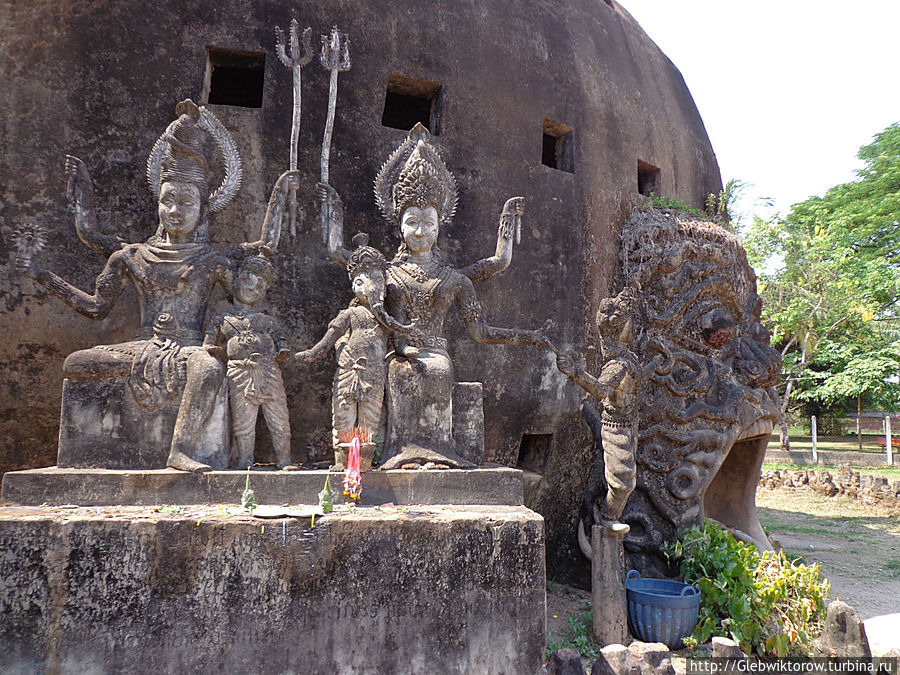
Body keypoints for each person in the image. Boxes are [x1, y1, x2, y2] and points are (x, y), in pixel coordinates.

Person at [16, 100, 298, 472]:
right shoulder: (131, 255)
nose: (175, 210)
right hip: (140, 346)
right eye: (167, 200)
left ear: (202, 208)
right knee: (76, 362)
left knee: (209, 369)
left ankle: (179, 451)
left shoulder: (212, 260)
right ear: (157, 202)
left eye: (185, 201)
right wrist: (44, 275)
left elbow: (261, 257)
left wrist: (278, 197)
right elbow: (95, 306)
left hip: (190, 348)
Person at [319, 124, 551, 469]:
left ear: (440, 225)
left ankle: (438, 452)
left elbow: (485, 314)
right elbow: (341, 254)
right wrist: (333, 211)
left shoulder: (454, 278)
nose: (420, 231)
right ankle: (400, 453)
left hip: (436, 353)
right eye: (412, 222)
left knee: (439, 370)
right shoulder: (386, 271)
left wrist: (527, 337)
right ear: (399, 225)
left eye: (429, 223)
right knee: (399, 371)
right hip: (398, 354)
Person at [295, 233, 411, 470]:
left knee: (370, 418)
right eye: (360, 282)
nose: (369, 288)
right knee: (344, 415)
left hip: (375, 372)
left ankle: (366, 462)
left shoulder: (386, 319)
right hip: (349, 372)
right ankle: (342, 461)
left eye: (376, 281)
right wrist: (313, 352)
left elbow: (399, 338)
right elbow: (330, 338)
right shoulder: (349, 314)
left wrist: (404, 342)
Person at [557, 287, 639, 534]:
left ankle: (609, 513)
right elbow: (602, 390)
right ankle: (607, 516)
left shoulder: (629, 359)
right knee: (623, 481)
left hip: (629, 424)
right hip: (616, 426)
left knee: (627, 479)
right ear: (618, 329)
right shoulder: (616, 366)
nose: (634, 327)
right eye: (630, 323)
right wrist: (576, 373)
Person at [204, 255, 293, 469]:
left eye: (259, 286)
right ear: (236, 281)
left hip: (269, 370)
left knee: (279, 418)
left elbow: (280, 339)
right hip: (239, 371)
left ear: (264, 293)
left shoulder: (266, 320)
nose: (252, 288)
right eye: (248, 281)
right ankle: (245, 460)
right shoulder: (222, 320)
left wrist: (282, 350)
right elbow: (207, 343)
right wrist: (215, 350)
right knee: (243, 420)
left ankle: (285, 460)